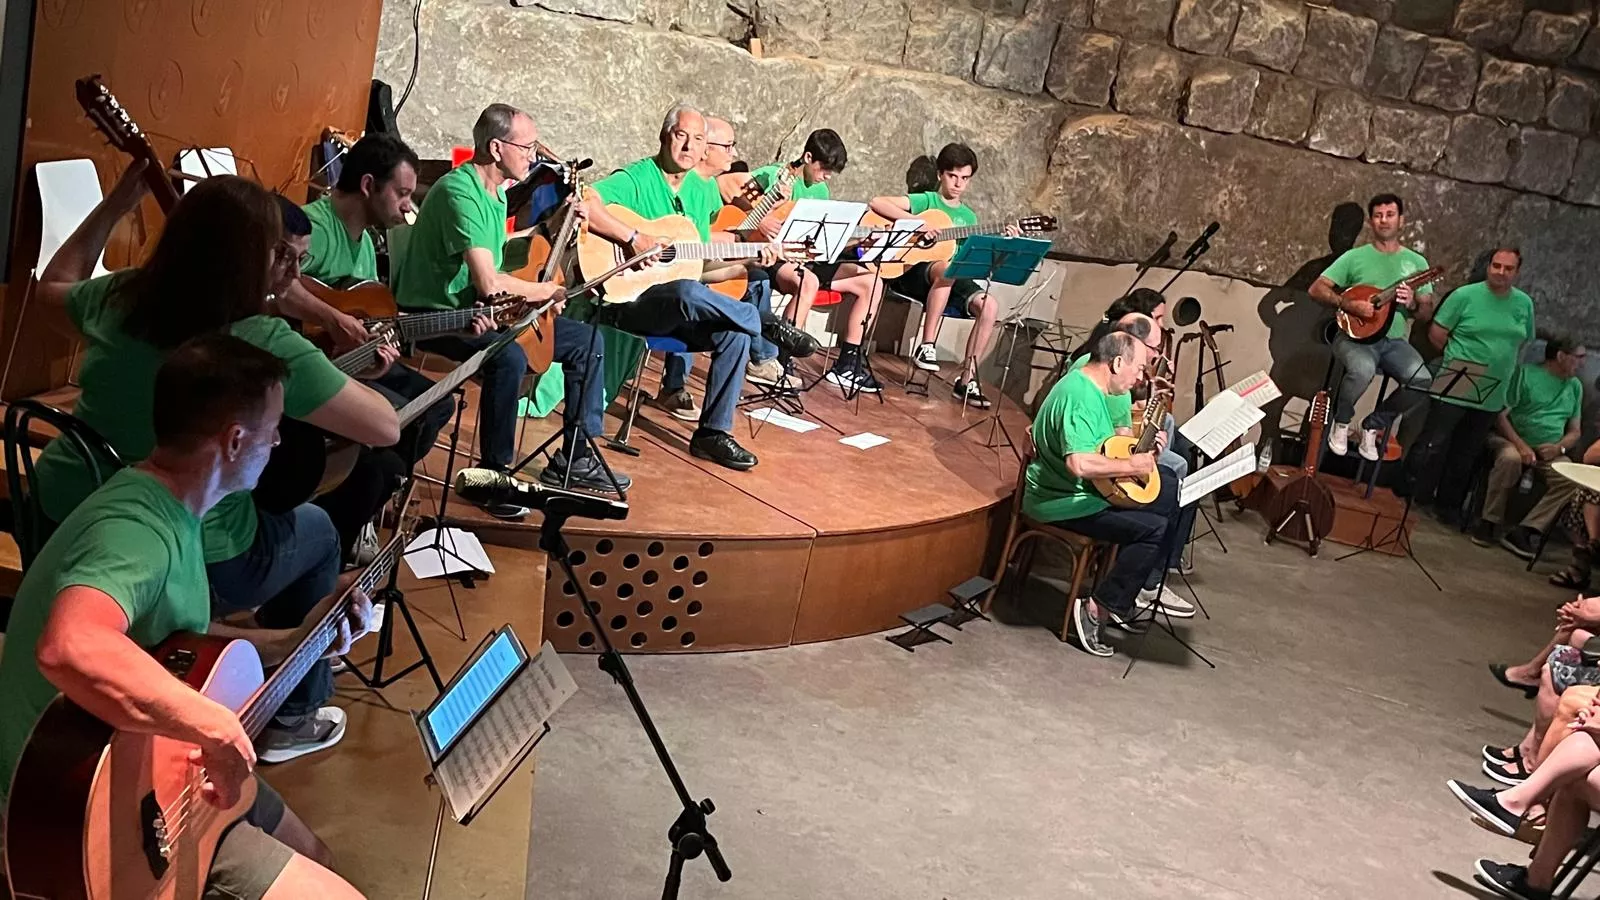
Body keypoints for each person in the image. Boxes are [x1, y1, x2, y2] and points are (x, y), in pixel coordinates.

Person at [30, 169, 399, 761]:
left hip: (60, 507)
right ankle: (292, 715)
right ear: (249, 261)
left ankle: (257, 659)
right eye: (277, 256)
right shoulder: (260, 342)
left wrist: (119, 199)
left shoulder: (123, 294)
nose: (287, 269)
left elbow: (51, 288)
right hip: (194, 546)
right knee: (321, 530)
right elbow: (384, 425)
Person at [0, 334, 373, 898]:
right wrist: (213, 726)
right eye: (273, 428)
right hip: (79, 809)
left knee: (320, 856)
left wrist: (297, 640)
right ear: (234, 440)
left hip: (156, 768)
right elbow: (69, 645)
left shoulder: (174, 507)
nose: (278, 441)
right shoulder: (135, 531)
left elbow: (177, 643)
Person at [392, 103, 627, 509]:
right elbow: (488, 283)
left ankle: (576, 456)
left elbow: (504, 261)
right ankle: (493, 475)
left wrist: (561, 224)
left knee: (587, 342)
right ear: (497, 148)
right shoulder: (458, 192)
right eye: (528, 147)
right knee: (509, 358)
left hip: (484, 313)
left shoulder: (496, 194)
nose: (533, 156)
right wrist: (545, 293)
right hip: (435, 316)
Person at [579, 102, 819, 471]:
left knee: (732, 331)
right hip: (627, 297)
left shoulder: (699, 191)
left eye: (698, 140)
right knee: (686, 292)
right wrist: (633, 236)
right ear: (665, 137)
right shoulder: (636, 178)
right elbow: (585, 200)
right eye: (681, 137)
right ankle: (764, 324)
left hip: (677, 301)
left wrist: (751, 259)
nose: (689, 147)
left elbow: (700, 268)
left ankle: (712, 434)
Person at [272, 137, 454, 558]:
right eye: (403, 194)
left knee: (437, 405)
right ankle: (347, 502)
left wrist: (458, 328)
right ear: (369, 185)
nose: (408, 207)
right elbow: (278, 290)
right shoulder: (312, 227)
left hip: (353, 361)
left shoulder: (369, 244)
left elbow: (374, 318)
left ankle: (365, 498)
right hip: (307, 363)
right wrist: (334, 319)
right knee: (400, 425)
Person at [1025, 330, 1182, 658]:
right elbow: (1079, 463)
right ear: (1117, 362)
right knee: (1154, 528)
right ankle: (1098, 607)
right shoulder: (1079, 396)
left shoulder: (1097, 388)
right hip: (1062, 501)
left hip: (1086, 492)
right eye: (1138, 367)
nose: (1141, 376)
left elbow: (1107, 443)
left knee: (1169, 492)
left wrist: (1144, 449)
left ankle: (1126, 589)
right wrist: (1129, 465)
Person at [648, 113, 784, 422]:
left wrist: (748, 255)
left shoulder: (706, 187)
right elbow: (698, 243)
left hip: (692, 274)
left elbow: (702, 254)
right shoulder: (677, 181)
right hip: (656, 287)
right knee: (693, 290)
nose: (734, 154)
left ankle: (715, 432)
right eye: (728, 146)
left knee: (746, 297)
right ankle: (764, 332)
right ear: (706, 149)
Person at [871, 142, 1013, 409]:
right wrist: (917, 222)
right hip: (914, 272)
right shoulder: (927, 200)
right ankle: (927, 345)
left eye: (965, 178)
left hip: (952, 276)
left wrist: (1003, 239)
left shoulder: (968, 216)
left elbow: (966, 255)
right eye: (953, 176)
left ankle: (967, 379)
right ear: (940, 175)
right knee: (946, 268)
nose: (958, 184)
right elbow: (877, 202)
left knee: (989, 305)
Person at [1406, 248, 1535, 524]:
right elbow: (1437, 333)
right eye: (1496, 266)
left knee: (1467, 450)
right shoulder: (1465, 296)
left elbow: (1525, 339)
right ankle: (1416, 495)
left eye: (1508, 268)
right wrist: (1458, 358)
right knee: (1435, 441)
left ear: (1517, 272)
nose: (1500, 272)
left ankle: (1448, 505)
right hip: (1461, 375)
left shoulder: (1524, 303)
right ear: (1488, 266)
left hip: (1494, 387)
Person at [1309, 193, 1436, 461]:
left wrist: (1412, 303)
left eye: (1390, 215)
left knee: (1423, 381)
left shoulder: (1417, 264)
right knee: (1362, 370)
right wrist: (1348, 304)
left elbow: (1425, 313)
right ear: (1371, 222)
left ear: (1401, 220)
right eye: (1378, 216)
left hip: (1394, 342)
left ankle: (1374, 425)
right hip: (1353, 337)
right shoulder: (1355, 257)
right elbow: (1317, 288)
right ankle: (1341, 422)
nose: (1384, 220)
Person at [1475, 337, 1585, 548]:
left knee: (1571, 479)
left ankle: (1528, 529)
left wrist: (1559, 447)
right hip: (1512, 439)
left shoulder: (1575, 387)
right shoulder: (1525, 374)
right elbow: (1501, 416)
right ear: (1561, 356)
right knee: (1510, 459)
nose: (1582, 364)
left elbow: (1575, 431)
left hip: (1550, 449)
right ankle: (1489, 521)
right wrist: (1521, 445)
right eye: (1578, 357)